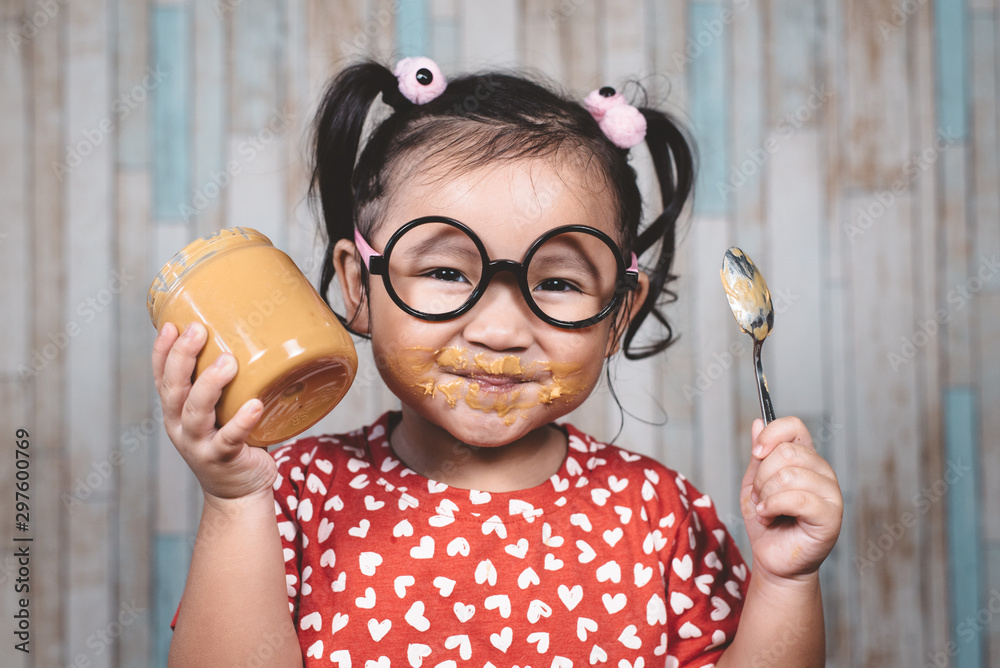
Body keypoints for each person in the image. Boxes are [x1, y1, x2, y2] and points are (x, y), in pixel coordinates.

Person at [154, 57, 843, 667]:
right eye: (448, 273)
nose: (502, 329)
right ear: (360, 288)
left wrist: (784, 582)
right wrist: (236, 500)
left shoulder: (656, 512)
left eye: (559, 283)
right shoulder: (294, 494)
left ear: (617, 315)